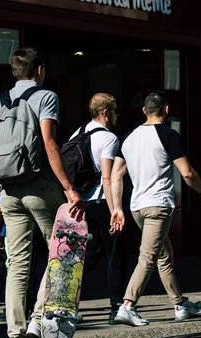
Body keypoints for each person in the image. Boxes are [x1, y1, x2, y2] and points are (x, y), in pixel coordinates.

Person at [0, 47, 84, 338]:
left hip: (8, 190)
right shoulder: (45, 97)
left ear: (14, 72)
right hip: (39, 186)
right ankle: (39, 320)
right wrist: (69, 188)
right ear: (39, 70)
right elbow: (50, 144)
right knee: (63, 252)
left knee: (16, 264)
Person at [110, 92, 201, 326]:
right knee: (148, 257)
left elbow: (115, 174)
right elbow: (187, 173)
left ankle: (180, 305)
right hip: (158, 206)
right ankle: (127, 305)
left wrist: (117, 208)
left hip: (137, 207)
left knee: (163, 254)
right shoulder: (169, 135)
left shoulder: (129, 138)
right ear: (166, 110)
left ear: (144, 111)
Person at [68, 93, 128, 325]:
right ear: (105, 113)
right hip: (102, 201)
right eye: (114, 111)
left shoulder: (78, 133)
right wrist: (116, 210)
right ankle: (116, 306)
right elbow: (108, 176)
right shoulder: (109, 138)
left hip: (81, 203)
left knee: (87, 254)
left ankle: (68, 303)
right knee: (116, 253)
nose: (117, 115)